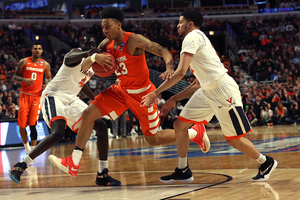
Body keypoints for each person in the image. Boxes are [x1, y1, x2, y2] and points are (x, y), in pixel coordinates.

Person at [48, 7, 210, 177]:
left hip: (143, 95)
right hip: (121, 90)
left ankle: (194, 133)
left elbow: (162, 50)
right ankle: (73, 162)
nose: (104, 31)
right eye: (103, 27)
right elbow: (84, 65)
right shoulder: (105, 44)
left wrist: (169, 67)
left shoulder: (133, 40)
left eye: (107, 26)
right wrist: (95, 58)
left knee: (153, 139)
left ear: (118, 25)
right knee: (88, 113)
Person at [141, 9, 277, 183]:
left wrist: (155, 93)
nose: (177, 25)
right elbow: (197, 83)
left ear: (190, 24)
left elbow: (181, 72)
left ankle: (265, 162)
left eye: (180, 22)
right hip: (207, 90)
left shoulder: (192, 37)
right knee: (179, 125)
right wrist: (174, 98)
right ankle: (183, 170)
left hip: (222, 91)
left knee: (233, 139)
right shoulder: (198, 39)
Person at [8, 35, 121, 186]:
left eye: (93, 45)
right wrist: (89, 53)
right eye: (88, 45)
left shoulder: (93, 63)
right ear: (83, 46)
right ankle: (21, 165)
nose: (91, 47)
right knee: (58, 132)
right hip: (54, 95)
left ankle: (102, 173)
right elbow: (69, 57)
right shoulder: (76, 54)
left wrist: (95, 99)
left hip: (72, 99)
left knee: (100, 125)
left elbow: (82, 84)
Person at [13, 41, 51, 153]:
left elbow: (49, 78)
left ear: (42, 50)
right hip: (24, 95)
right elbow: (15, 76)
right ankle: (27, 149)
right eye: (35, 48)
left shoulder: (45, 64)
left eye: (39, 48)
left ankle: (33, 151)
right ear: (32, 50)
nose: (37, 50)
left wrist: (47, 84)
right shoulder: (24, 61)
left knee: (33, 124)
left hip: (36, 97)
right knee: (22, 126)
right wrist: (24, 79)